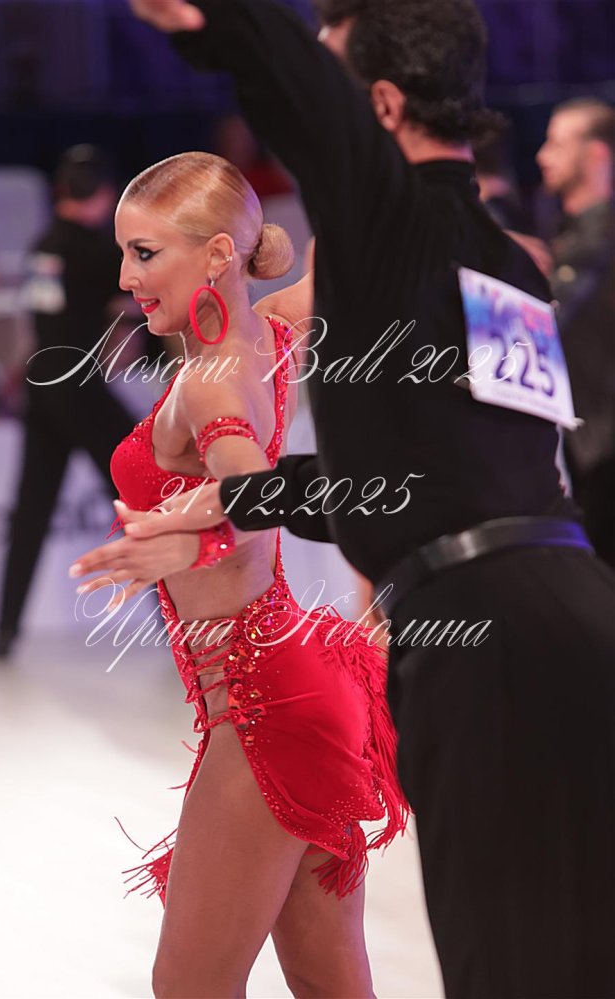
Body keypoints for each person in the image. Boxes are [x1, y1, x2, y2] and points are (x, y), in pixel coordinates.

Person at [73, 2, 615, 997]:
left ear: (382, 104)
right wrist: (220, 509)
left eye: (335, 80)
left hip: (456, 630)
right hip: (576, 602)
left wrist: (216, 20)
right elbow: (463, 473)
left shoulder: (383, 223)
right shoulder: (503, 262)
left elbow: (295, 98)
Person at [76, 151, 407, 997]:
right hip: (303, 686)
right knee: (331, 981)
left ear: (219, 253)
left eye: (145, 253)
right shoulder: (272, 331)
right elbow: (330, 274)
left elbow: (249, 492)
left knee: (187, 986)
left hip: (262, 702)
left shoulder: (209, 380)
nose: (126, 277)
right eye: (123, 253)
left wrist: (187, 540)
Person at [0, 145, 137, 659]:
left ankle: (4, 631)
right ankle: (185, 622)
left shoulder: (43, 245)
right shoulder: (95, 252)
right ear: (103, 195)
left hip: (42, 390)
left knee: (31, 512)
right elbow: (141, 288)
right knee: (143, 497)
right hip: (78, 389)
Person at [537, 98, 615, 565]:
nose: (542, 155)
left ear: (596, 154)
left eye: (557, 143)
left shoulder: (599, 239)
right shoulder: (574, 238)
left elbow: (546, 318)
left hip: (605, 451)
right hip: (589, 447)